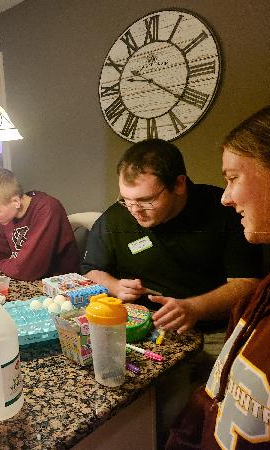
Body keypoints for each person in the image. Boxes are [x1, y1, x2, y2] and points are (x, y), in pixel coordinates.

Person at [166, 106, 270, 449]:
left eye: (233, 178)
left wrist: (194, 308)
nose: (226, 197)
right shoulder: (260, 300)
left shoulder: (217, 218)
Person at [81, 139, 262, 334]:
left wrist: (194, 308)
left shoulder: (225, 211)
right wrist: (115, 286)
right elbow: (91, 270)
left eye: (146, 200)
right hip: (138, 327)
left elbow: (247, 284)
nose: (135, 210)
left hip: (208, 330)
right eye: (126, 200)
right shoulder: (116, 217)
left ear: (178, 184)